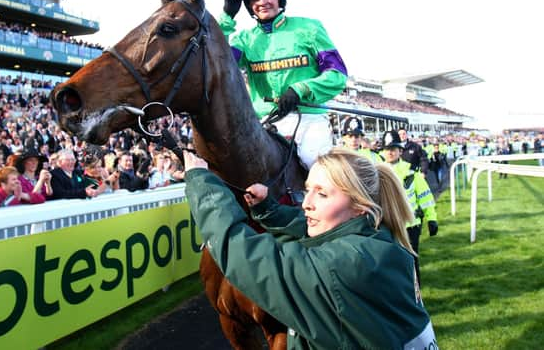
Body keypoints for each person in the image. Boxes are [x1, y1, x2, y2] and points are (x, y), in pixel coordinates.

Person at [183, 148, 436, 349]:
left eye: (322, 194)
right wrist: (268, 209)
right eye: (308, 190)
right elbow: (313, 228)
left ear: (360, 206)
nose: (306, 204)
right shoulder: (378, 239)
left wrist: (201, 182)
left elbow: (241, 252)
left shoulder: (339, 266)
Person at [219, 0, 348, 168]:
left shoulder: (310, 28)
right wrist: (226, 18)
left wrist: (301, 89)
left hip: (309, 120)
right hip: (266, 121)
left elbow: (337, 74)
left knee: (312, 161)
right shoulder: (244, 40)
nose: (262, 2)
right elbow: (217, 63)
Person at [381, 130, 438, 285]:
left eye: (394, 148)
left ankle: (415, 298)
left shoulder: (412, 172)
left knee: (411, 262)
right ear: (382, 151)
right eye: (387, 149)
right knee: (390, 264)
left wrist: (432, 218)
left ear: (401, 150)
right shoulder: (376, 173)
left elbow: (425, 197)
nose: (390, 152)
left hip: (411, 226)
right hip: (387, 226)